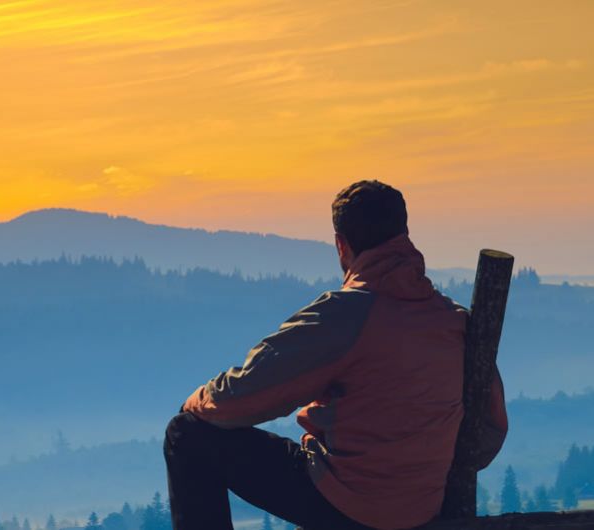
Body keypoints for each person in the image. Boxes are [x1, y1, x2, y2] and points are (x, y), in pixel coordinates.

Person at [163, 180, 507, 530]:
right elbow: (490, 428)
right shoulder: (452, 320)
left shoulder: (346, 314)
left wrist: (197, 402)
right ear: (403, 234)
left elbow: (250, 391)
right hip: (421, 508)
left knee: (187, 435)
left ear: (342, 244)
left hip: (348, 506)